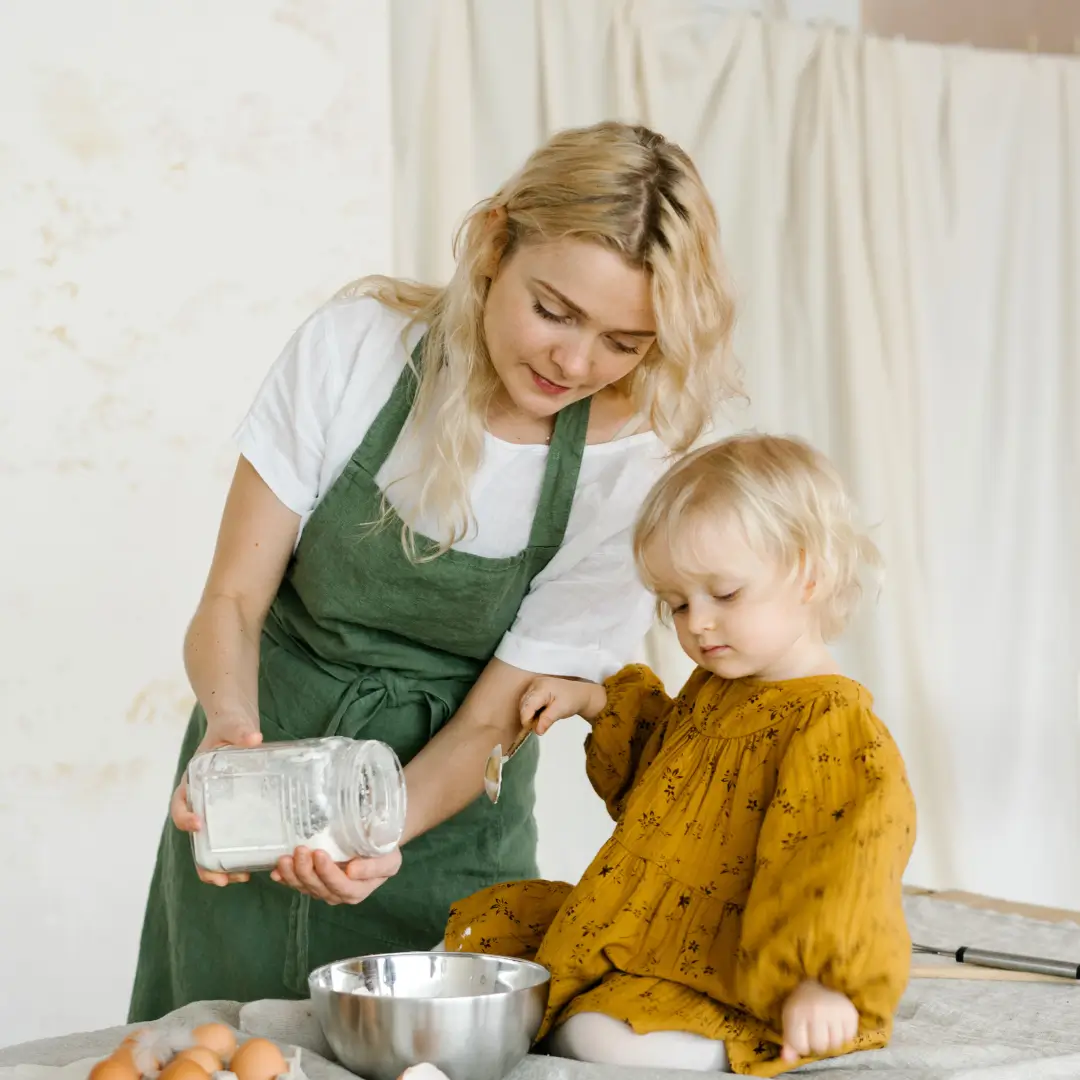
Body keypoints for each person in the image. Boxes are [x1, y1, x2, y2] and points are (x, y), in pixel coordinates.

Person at [127, 121, 740, 1020]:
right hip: (264, 769)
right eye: (555, 311)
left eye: (625, 342)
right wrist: (231, 731)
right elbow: (231, 598)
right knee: (212, 1051)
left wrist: (375, 835)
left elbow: (497, 715)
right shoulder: (357, 351)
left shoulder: (635, 468)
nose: (575, 363)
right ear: (494, 241)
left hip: (446, 821)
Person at [441, 435, 917, 1076]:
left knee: (602, 1038)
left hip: (736, 959)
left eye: (724, 595)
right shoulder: (718, 689)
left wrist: (819, 981)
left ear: (808, 573)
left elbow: (842, 865)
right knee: (483, 954)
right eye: (678, 605)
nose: (698, 624)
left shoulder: (832, 725)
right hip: (656, 927)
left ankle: (758, 1029)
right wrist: (592, 702)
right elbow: (660, 789)